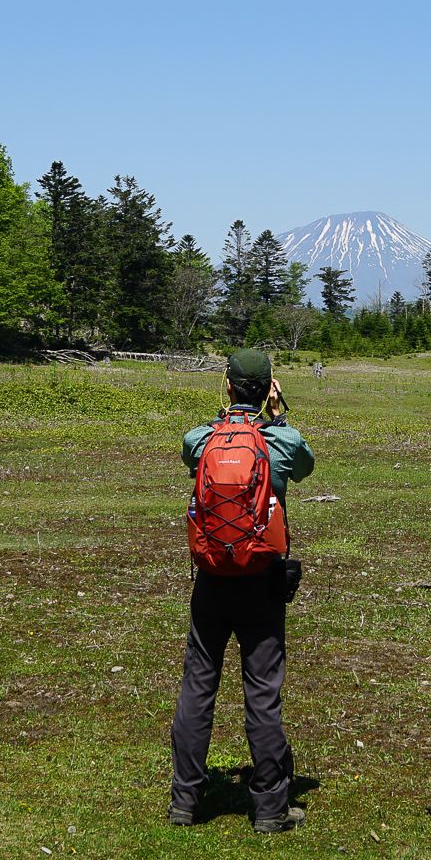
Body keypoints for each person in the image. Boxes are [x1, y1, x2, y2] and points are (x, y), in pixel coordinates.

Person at [167, 347, 315, 831]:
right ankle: (270, 807)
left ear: (228, 386)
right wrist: (277, 415)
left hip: (211, 579)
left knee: (198, 686)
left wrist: (225, 417)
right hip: (261, 582)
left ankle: (185, 801)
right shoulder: (281, 442)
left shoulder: (202, 439)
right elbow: (305, 463)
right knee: (262, 691)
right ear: (269, 386)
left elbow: (190, 448)